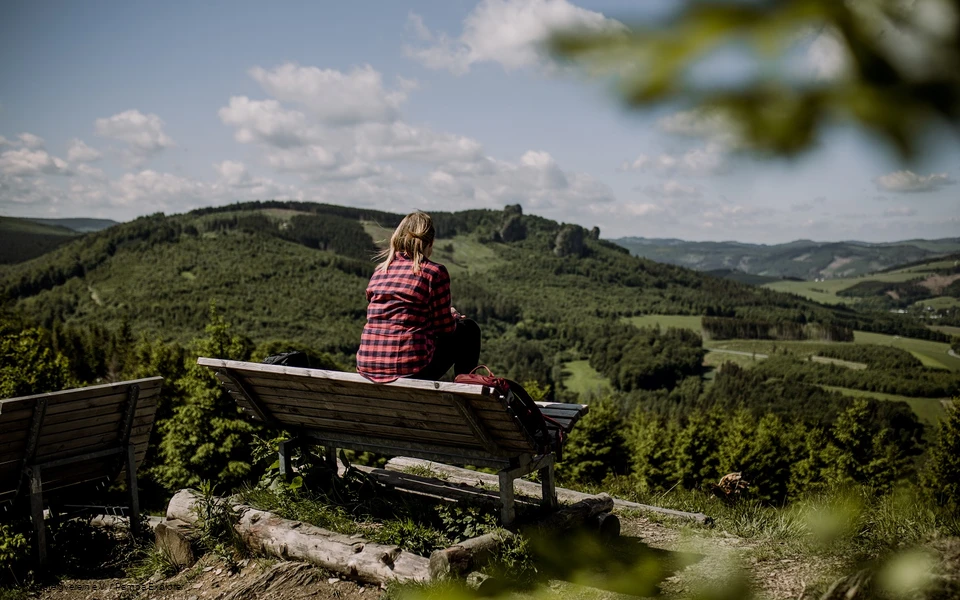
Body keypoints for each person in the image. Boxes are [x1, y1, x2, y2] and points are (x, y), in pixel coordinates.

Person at [357, 211, 481, 383]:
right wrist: (453, 317)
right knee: (468, 330)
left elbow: (395, 317)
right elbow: (445, 329)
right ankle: (466, 391)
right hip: (410, 370)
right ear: (429, 243)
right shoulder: (434, 272)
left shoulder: (379, 271)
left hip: (367, 366)